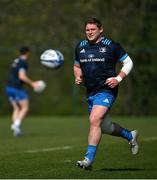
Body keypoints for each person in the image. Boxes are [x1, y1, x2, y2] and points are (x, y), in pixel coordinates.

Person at [73, 18, 139, 169]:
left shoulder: (112, 46)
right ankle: (130, 135)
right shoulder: (80, 46)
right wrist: (77, 76)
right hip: (90, 91)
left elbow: (128, 62)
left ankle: (88, 160)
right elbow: (77, 66)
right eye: (87, 30)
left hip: (107, 90)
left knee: (94, 119)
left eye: (92, 29)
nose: (89, 32)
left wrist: (118, 79)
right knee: (105, 126)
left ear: (100, 29)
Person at [5, 46, 40, 136]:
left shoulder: (15, 61)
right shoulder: (23, 62)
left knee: (16, 108)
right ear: (27, 53)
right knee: (25, 107)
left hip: (9, 87)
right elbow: (22, 76)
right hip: (17, 88)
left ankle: (17, 131)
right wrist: (33, 83)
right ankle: (16, 125)